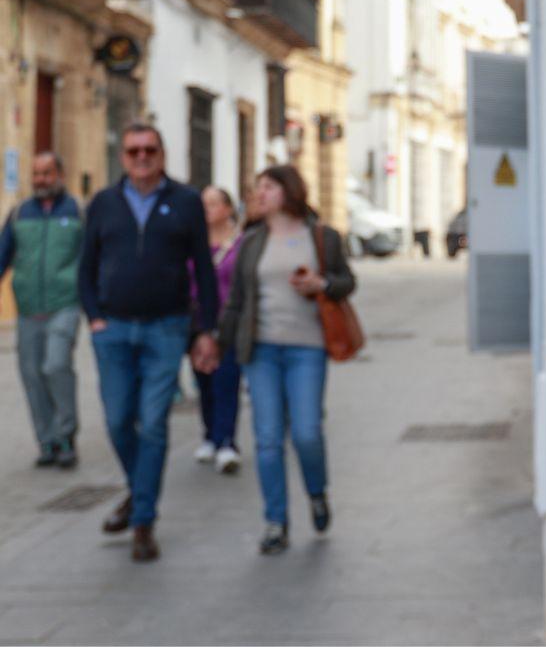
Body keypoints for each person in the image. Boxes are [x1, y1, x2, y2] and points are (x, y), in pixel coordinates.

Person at [79, 123, 220, 562]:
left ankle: (143, 520)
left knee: (154, 422)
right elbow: (86, 267)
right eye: (133, 150)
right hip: (113, 330)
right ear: (123, 157)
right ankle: (138, 491)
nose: (142, 157)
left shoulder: (186, 201)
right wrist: (95, 318)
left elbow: (204, 268)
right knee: (119, 420)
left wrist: (207, 330)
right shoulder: (104, 203)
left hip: (166, 328)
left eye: (150, 149)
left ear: (163, 153)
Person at [218, 165, 355, 555]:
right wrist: (217, 343)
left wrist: (321, 284)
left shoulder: (322, 237)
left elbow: (347, 282)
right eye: (257, 187)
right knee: (267, 439)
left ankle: (316, 492)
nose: (259, 193)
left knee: (307, 432)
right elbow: (237, 301)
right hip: (261, 351)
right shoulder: (251, 241)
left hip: (306, 349)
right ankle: (275, 521)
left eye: (268, 187)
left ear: (289, 191)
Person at [0, 152, 83, 468]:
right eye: (36, 174)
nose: (41, 180)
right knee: (32, 374)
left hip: (65, 303)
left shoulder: (77, 211)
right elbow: (3, 255)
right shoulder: (20, 213)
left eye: (47, 173)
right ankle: (47, 441)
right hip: (28, 308)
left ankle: (66, 435)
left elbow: (89, 258)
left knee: (56, 365)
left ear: (60, 174)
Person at [190, 186, 244, 473]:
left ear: (228, 208)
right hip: (198, 323)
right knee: (203, 381)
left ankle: (227, 441)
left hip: (229, 323)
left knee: (226, 380)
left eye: (213, 204)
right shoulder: (193, 242)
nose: (206, 209)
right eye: (203, 203)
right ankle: (210, 435)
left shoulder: (240, 243)